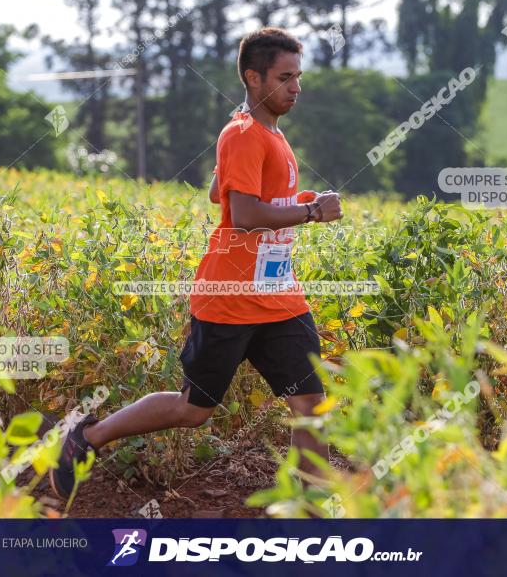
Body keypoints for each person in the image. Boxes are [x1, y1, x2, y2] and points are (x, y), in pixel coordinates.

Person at [50, 27, 344, 502]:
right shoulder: (245, 134)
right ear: (254, 77)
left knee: (309, 403)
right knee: (193, 410)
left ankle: (310, 519)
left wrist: (297, 200)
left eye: (298, 76)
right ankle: (88, 437)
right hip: (228, 300)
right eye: (286, 77)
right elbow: (244, 215)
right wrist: (311, 211)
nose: (297, 88)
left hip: (278, 298)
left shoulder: (267, 132)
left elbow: (219, 195)